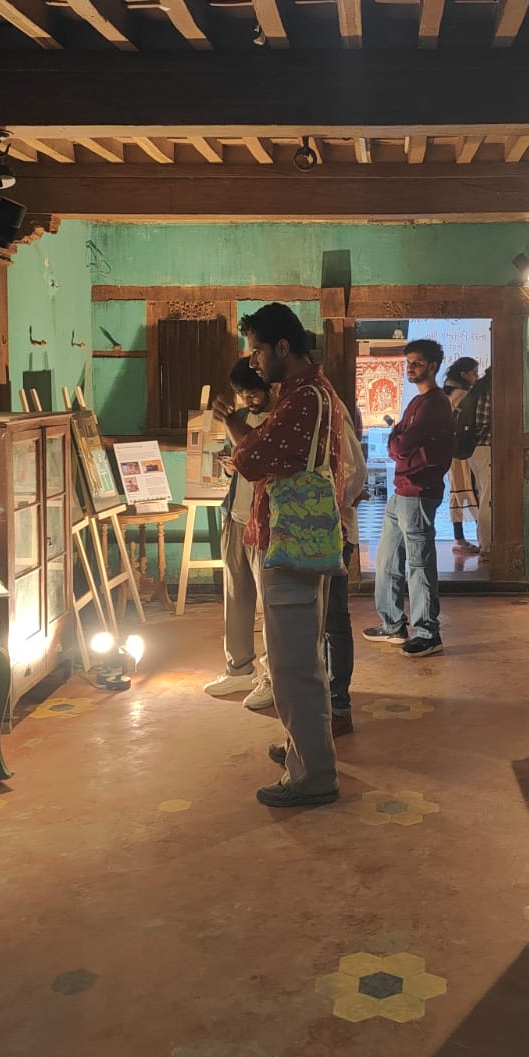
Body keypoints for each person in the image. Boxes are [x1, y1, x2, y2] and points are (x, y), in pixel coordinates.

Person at [213, 303, 350, 809]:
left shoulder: (303, 399)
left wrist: (237, 433)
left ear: (283, 347)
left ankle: (313, 775)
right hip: (297, 544)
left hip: (290, 546)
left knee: (294, 666)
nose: (253, 362)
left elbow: (251, 460)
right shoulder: (312, 393)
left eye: (257, 350)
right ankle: (303, 751)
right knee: (298, 657)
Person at [364, 338, 454, 658]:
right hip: (401, 490)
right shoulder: (417, 402)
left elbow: (400, 446)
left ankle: (428, 632)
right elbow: (397, 442)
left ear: (433, 366)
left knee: (418, 563)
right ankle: (393, 624)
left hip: (419, 491)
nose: (410, 368)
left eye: (417, 363)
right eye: (408, 362)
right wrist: (398, 439)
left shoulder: (435, 404)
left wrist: (398, 440)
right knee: (387, 559)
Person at [203, 358, 275, 707]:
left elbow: (266, 461)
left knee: (271, 602)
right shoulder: (241, 418)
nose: (249, 400)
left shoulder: (279, 421)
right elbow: (242, 463)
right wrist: (232, 468)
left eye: (254, 392)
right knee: (236, 595)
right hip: (235, 516)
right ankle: (238, 669)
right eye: (243, 394)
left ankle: (272, 675)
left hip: (264, 523)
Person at [324, 407, 369, 736]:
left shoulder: (328, 406)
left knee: (333, 621)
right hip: (309, 534)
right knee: (316, 623)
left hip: (333, 532)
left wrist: (325, 507)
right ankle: (323, 702)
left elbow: (355, 471)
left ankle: (338, 706)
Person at [456, 365, 493, 555]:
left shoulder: (477, 389)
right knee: (488, 498)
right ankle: (487, 546)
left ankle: (485, 543)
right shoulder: (490, 392)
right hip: (487, 447)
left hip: (475, 450)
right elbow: (483, 421)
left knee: (483, 495)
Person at [443, 357, 480, 550]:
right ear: (463, 374)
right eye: (474, 373)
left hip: (451, 450)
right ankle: (481, 538)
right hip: (464, 450)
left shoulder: (447, 393)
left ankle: (459, 537)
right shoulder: (462, 395)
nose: (476, 377)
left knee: (457, 490)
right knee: (472, 489)